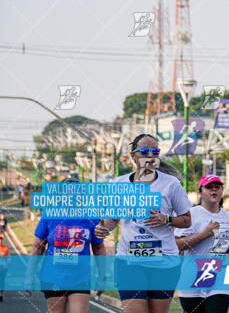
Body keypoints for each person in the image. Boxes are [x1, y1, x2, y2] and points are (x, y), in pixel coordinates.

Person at [95, 133, 192, 313]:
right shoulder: (120, 183)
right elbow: (113, 219)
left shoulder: (171, 184)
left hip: (164, 262)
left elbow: (187, 220)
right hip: (129, 261)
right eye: (145, 151)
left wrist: (166, 219)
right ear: (133, 155)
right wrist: (103, 229)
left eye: (155, 151)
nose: (151, 156)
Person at [25, 178, 106, 313]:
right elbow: (37, 247)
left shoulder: (91, 217)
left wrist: (102, 277)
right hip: (52, 277)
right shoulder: (49, 215)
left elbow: (99, 248)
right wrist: (29, 276)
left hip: (80, 277)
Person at [175, 174, 229, 313]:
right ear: (201, 192)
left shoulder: (227, 216)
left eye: (217, 187)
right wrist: (205, 233)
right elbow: (177, 245)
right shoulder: (191, 214)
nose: (214, 190)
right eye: (209, 187)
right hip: (192, 278)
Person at [0, 234, 8, 303]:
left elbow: (9, 258)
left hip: (3, 268)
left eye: (1, 239)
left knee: (2, 282)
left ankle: (1, 294)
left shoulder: (5, 248)